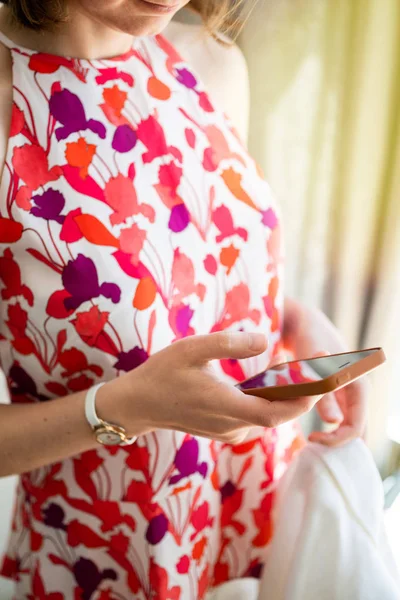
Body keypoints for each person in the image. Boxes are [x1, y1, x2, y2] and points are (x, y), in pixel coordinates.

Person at [0, 0, 368, 597]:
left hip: (251, 522)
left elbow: (190, 269)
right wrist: (123, 408)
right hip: (107, 558)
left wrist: (293, 320)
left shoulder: (212, 62)